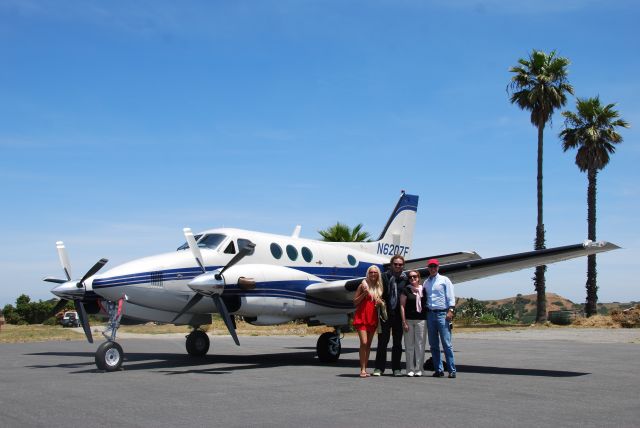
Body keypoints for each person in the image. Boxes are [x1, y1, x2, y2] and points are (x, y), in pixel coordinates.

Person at [373, 254, 407, 376]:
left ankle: (396, 368)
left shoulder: (406, 279)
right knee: (382, 341)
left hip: (399, 315)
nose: (398, 266)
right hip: (385, 314)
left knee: (397, 343)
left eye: (400, 264)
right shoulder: (383, 277)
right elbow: (376, 290)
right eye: (395, 264)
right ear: (391, 265)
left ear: (403, 266)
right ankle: (379, 368)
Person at [423, 258, 457, 378]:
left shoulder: (445, 280)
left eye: (435, 266)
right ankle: (439, 369)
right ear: (428, 268)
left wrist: (451, 310)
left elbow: (451, 297)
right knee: (433, 344)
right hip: (430, 314)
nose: (433, 268)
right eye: (431, 266)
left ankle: (452, 370)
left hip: (443, 314)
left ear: (438, 268)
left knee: (447, 344)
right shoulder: (426, 282)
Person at [353, 265, 384, 378]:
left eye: (375, 272)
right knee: (364, 342)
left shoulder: (378, 287)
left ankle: (365, 368)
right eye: (371, 272)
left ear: (378, 274)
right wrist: (364, 294)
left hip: (372, 317)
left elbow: (378, 302)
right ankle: (362, 369)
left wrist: (380, 302)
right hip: (362, 316)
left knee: (369, 344)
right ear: (368, 273)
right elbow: (355, 302)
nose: (373, 274)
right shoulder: (362, 286)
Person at [400, 270, 427, 377]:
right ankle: (410, 369)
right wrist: (404, 321)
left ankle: (419, 369)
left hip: (421, 321)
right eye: (410, 277)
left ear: (419, 278)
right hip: (409, 321)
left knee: (420, 345)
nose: (412, 278)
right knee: (409, 346)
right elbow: (402, 306)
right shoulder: (406, 290)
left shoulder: (424, 290)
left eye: (415, 276)